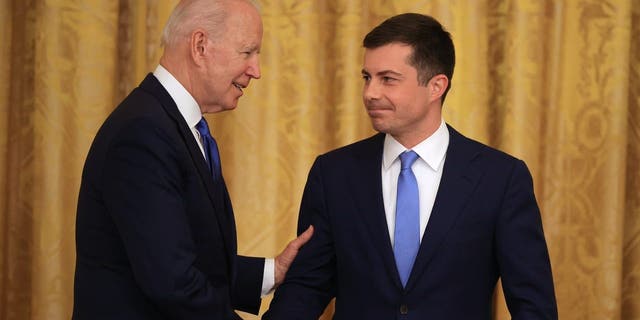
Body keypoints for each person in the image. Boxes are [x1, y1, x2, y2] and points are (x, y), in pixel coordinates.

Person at [264, 13, 557, 319]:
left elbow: (533, 306)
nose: (370, 93)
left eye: (387, 79)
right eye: (367, 77)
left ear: (436, 86)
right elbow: (306, 288)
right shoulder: (333, 173)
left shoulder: (501, 179)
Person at [72, 0, 312, 319]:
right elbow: (173, 282)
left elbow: (182, 252)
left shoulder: (169, 123)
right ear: (200, 46)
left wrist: (272, 272)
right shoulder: (143, 133)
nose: (256, 70)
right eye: (247, 53)